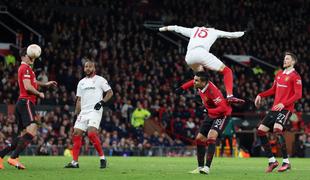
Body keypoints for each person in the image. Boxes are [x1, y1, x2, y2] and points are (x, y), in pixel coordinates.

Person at [0, 47, 57, 170]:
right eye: (30, 55)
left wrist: (45, 84)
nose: (33, 58)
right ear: (23, 56)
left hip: (22, 103)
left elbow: (33, 82)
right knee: (33, 128)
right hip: (26, 102)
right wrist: (39, 93)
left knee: (23, 135)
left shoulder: (27, 69)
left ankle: (1, 156)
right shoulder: (25, 68)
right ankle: (13, 158)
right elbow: (28, 86)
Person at [159, 25, 245, 104]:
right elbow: (232, 35)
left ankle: (188, 91)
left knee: (201, 77)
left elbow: (177, 28)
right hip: (202, 53)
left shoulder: (194, 30)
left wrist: (162, 28)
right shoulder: (214, 31)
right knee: (227, 71)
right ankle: (230, 96)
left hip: (189, 56)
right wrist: (243, 32)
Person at [254, 52, 302, 172]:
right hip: (275, 109)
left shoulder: (296, 76)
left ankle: (286, 162)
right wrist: (261, 94)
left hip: (286, 109)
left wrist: (283, 104)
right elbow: (273, 90)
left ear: (293, 62)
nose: (284, 60)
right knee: (260, 131)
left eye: (287, 59)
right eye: (284, 58)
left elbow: (298, 95)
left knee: (277, 129)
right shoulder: (279, 74)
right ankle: (272, 161)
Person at [176, 71, 232, 174]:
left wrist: (207, 110)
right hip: (211, 113)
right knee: (199, 139)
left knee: (211, 136)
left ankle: (207, 167)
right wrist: (182, 88)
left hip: (222, 114)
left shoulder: (212, 91)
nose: (194, 82)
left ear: (203, 82)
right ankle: (200, 167)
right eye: (194, 79)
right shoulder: (201, 84)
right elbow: (191, 82)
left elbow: (223, 108)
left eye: (196, 80)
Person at [65, 59, 113, 169]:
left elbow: (110, 92)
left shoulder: (100, 80)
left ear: (94, 68)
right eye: (86, 67)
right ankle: (74, 162)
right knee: (76, 133)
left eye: (90, 66)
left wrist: (102, 102)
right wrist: (76, 114)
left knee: (91, 133)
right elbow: (79, 100)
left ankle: (102, 158)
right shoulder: (81, 82)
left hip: (95, 110)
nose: (87, 68)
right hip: (84, 111)